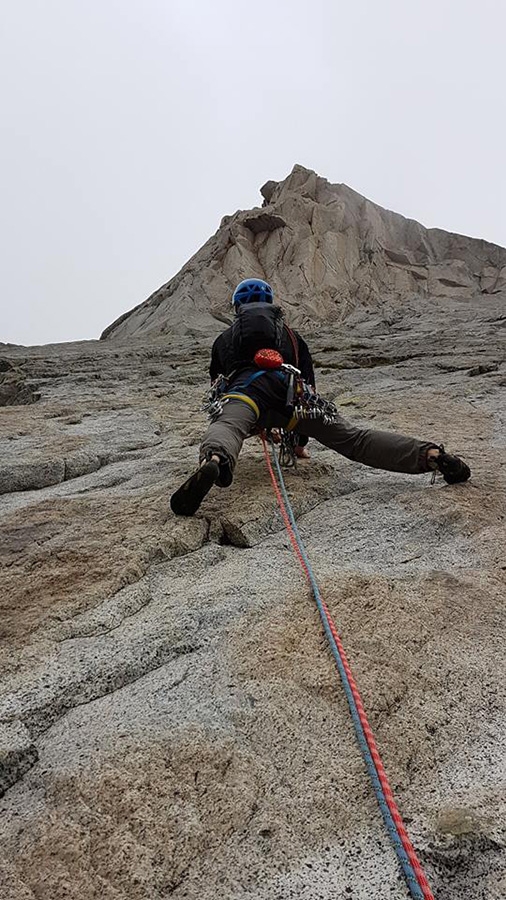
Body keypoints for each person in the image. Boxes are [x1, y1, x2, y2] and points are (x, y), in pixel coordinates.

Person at [170, 279, 471, 516]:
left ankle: (216, 459)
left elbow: (218, 389)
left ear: (236, 307)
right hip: (292, 399)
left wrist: (252, 420)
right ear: (271, 304)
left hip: (246, 396)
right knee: (355, 439)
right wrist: (299, 442)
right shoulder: (291, 336)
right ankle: (431, 456)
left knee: (230, 424)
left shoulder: (224, 340)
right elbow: (309, 382)